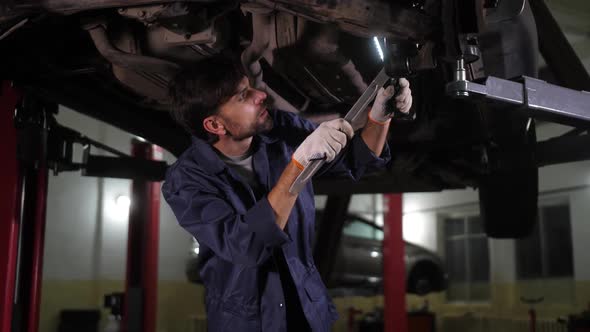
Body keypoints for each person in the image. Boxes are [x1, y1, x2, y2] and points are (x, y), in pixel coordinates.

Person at [162, 56, 412, 332]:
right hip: (249, 323)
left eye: (251, 87)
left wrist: (380, 116)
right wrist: (298, 167)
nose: (261, 95)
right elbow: (247, 245)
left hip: (306, 312)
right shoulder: (186, 181)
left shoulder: (280, 128)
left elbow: (355, 159)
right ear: (215, 126)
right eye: (243, 95)